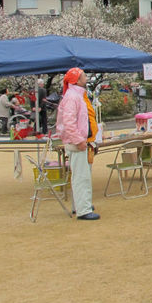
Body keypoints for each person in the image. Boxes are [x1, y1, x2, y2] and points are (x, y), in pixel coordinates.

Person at [55, 68, 99, 220]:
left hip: (82, 141)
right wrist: (79, 140)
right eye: (84, 76)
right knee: (81, 177)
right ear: (77, 80)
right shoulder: (72, 97)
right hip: (78, 143)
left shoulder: (76, 95)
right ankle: (83, 209)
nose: (87, 78)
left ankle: (82, 204)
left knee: (82, 176)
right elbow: (69, 123)